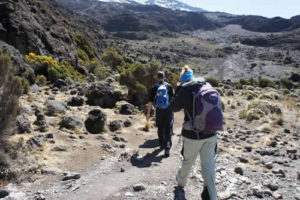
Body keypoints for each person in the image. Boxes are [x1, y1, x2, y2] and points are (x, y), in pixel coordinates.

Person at [171, 65, 222, 200]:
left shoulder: (184, 89)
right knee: (209, 166)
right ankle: (211, 195)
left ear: (182, 79)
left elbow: (174, 107)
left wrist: (178, 89)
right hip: (211, 134)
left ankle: (181, 184)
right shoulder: (206, 85)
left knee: (188, 161)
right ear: (193, 77)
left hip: (193, 135)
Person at [146, 71, 174, 157]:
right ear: (164, 77)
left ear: (157, 78)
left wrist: (148, 113)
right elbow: (173, 100)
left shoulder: (154, 87)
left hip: (159, 110)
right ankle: (167, 147)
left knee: (160, 128)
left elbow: (150, 102)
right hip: (168, 109)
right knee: (168, 128)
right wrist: (173, 112)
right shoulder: (169, 86)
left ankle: (162, 145)